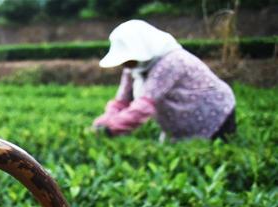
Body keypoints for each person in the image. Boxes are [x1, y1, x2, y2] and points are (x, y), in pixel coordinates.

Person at [92, 20, 236, 141]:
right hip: (180, 121)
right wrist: (102, 122)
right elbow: (122, 101)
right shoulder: (133, 67)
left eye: (128, 59)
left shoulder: (171, 62)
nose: (125, 64)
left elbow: (144, 105)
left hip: (215, 114)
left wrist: (111, 129)